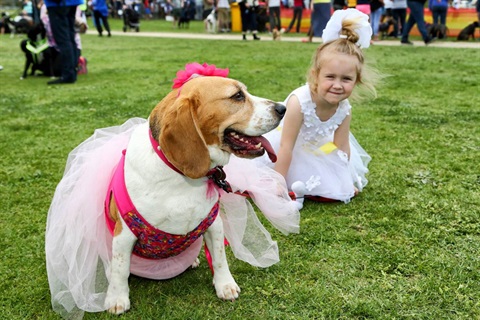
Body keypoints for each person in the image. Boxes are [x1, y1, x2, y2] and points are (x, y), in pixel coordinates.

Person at [263, 8, 379, 208]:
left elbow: (342, 147)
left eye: (347, 79)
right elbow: (286, 146)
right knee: (286, 174)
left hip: (317, 149)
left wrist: (346, 181)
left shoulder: (344, 108)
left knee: (328, 182)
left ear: (356, 81)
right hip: (285, 151)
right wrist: (279, 182)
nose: (337, 85)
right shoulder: (299, 101)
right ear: (316, 75)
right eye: (330, 77)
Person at [44, 0, 83, 85]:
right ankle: (72, 72)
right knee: (70, 36)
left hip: (58, 3)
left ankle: (68, 74)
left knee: (63, 39)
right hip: (72, 2)